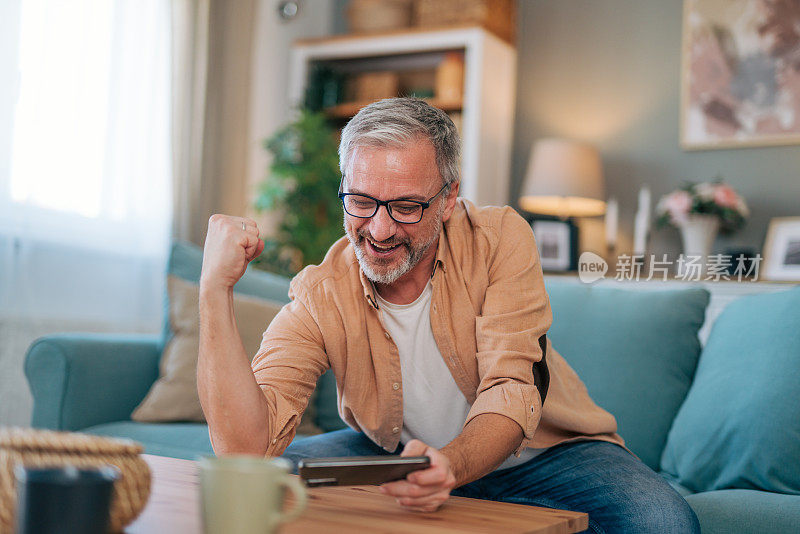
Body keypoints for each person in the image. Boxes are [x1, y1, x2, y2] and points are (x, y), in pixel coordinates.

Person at [197, 98, 700, 533]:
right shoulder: (321, 291)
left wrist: (452, 468)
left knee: (664, 523)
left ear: (448, 199)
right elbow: (245, 452)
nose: (379, 229)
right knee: (271, 482)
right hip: (397, 454)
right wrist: (215, 290)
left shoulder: (500, 239)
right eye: (362, 201)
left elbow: (511, 386)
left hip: (546, 454)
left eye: (406, 206)